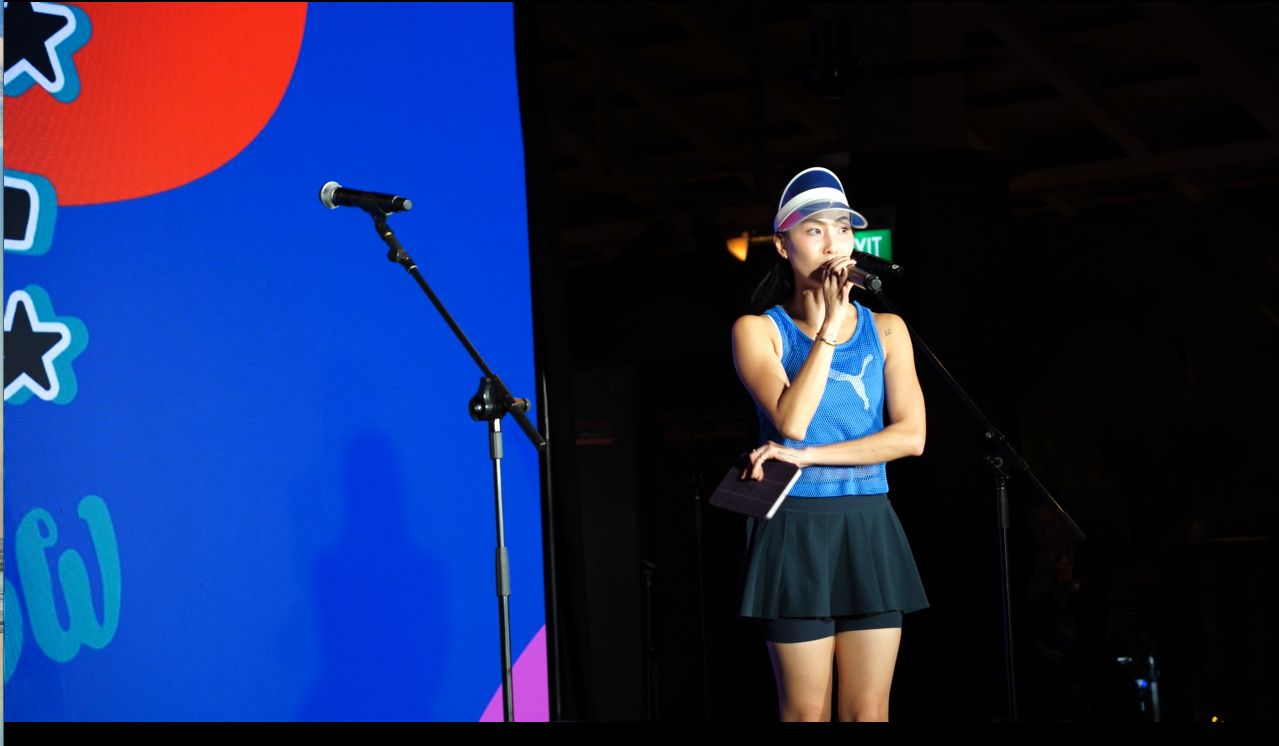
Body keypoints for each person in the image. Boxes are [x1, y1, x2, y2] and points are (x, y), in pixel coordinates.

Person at [732, 167, 929, 722]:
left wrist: (808, 457)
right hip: (795, 526)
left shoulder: (887, 328)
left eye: (842, 229)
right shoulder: (759, 330)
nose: (832, 242)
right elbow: (792, 421)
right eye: (814, 230)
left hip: (868, 521)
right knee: (806, 712)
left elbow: (911, 437)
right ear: (782, 244)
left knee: (869, 711)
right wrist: (828, 327)